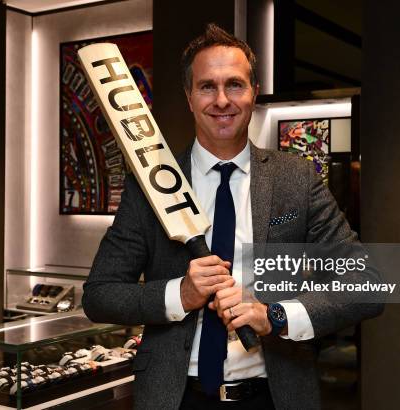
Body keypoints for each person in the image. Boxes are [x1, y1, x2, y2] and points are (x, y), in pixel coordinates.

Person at [83, 23, 383, 410]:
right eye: (207, 86)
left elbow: (365, 284)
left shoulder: (294, 178)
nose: (221, 99)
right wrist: (180, 294)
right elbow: (100, 295)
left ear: (254, 93)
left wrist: (274, 315)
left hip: (272, 396)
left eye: (235, 85)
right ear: (189, 97)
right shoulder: (148, 187)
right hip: (176, 398)